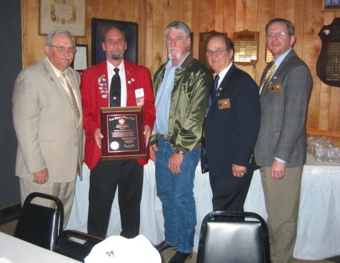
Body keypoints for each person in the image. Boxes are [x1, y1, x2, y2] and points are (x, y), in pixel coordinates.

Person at [80, 26, 155, 239]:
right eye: (110, 41)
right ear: (104, 46)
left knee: (131, 206)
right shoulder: (89, 75)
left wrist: (148, 124)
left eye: (119, 40)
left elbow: (148, 106)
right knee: (99, 207)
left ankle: (129, 246)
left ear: (125, 45)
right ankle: (94, 247)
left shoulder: (141, 73)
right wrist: (93, 128)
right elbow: (85, 110)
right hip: (102, 151)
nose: (115, 44)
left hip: (133, 151)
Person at [150, 21, 212, 263]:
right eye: (169, 38)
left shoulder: (198, 73)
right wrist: (153, 139)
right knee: (165, 194)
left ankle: (185, 247)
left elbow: (195, 117)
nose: (172, 43)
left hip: (183, 148)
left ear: (188, 42)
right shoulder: (162, 71)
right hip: (162, 145)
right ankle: (172, 238)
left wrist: (180, 150)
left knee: (181, 197)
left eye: (178, 38)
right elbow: (155, 110)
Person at [254, 18, 312, 263]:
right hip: (268, 154)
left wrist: (280, 158)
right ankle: (273, 256)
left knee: (283, 219)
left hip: (282, 159)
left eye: (279, 34)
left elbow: (294, 119)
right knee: (275, 215)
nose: (273, 39)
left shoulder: (296, 70)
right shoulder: (272, 68)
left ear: (292, 38)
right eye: (269, 35)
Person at [12, 30, 83, 227]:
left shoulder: (74, 77)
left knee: (61, 219)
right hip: (43, 170)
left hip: (68, 166)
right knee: (38, 223)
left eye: (70, 48)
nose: (66, 52)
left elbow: (75, 121)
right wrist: (36, 166)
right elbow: (25, 125)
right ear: (47, 49)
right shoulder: (30, 77)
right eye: (60, 47)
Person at [204, 34, 261, 212]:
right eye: (209, 52)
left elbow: (250, 125)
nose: (213, 55)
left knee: (227, 213)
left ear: (231, 53)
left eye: (219, 51)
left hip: (233, 164)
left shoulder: (241, 82)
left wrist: (241, 160)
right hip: (219, 163)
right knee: (226, 211)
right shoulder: (216, 81)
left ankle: (227, 242)